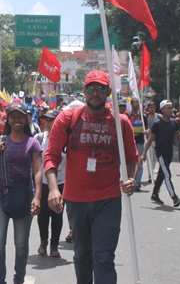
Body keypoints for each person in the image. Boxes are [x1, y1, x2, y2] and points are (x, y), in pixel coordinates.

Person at [44, 70, 138, 284]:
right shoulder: (68, 118)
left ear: (108, 93)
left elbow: (132, 158)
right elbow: (51, 156)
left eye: (101, 89)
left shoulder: (121, 122)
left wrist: (131, 178)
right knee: (82, 256)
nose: (95, 93)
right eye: (91, 88)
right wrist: (53, 189)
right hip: (76, 200)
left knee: (104, 258)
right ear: (84, 91)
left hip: (109, 199)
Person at [0, 102, 43, 284]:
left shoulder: (32, 143)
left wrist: (37, 197)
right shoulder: (0, 141)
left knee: (21, 244)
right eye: (13, 116)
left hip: (24, 196)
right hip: (0, 196)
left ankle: (19, 278)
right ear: (8, 119)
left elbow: (37, 170)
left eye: (20, 116)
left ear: (26, 119)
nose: (17, 120)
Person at [140, 100, 180, 207]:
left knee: (162, 173)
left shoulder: (173, 122)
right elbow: (150, 139)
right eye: (168, 108)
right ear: (162, 110)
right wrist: (144, 154)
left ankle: (154, 194)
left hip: (169, 152)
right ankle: (174, 198)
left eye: (171, 108)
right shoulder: (157, 124)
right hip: (160, 153)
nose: (170, 110)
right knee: (167, 174)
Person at [36, 109, 64, 258]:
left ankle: (54, 245)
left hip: (61, 183)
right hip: (43, 182)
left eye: (51, 120)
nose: (48, 123)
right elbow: (34, 162)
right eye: (46, 119)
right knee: (43, 214)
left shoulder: (66, 138)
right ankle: (43, 242)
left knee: (57, 215)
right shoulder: (39, 138)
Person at [130, 98, 145, 191]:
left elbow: (147, 128)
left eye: (138, 103)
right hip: (130, 142)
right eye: (135, 103)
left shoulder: (142, 117)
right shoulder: (128, 116)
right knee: (131, 162)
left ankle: (138, 183)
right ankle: (130, 180)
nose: (137, 105)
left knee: (139, 162)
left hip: (140, 142)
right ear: (131, 104)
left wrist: (147, 131)